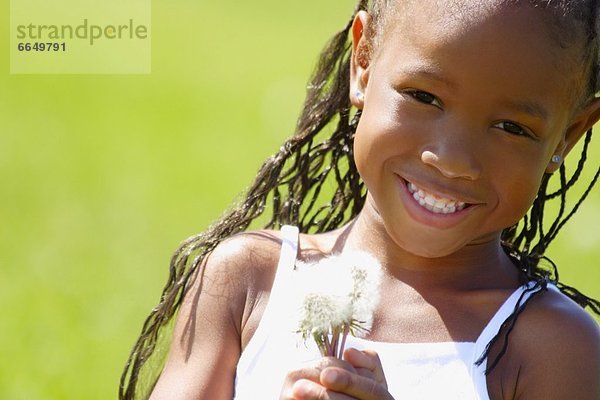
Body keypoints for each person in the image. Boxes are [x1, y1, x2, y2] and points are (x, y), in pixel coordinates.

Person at [120, 0, 600, 399]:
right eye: (424, 96)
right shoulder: (251, 282)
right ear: (363, 62)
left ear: (567, 135)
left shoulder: (551, 349)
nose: (453, 160)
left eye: (511, 128)